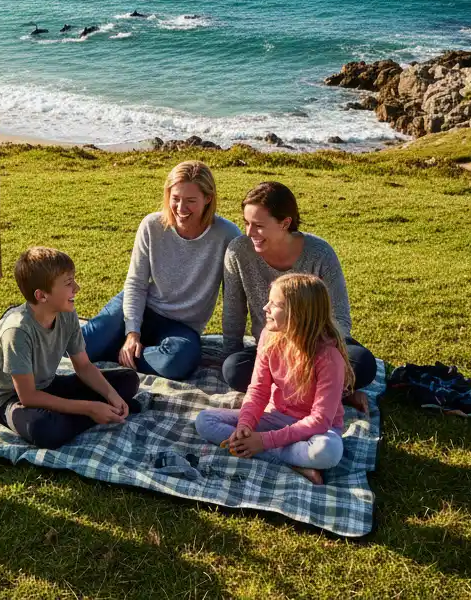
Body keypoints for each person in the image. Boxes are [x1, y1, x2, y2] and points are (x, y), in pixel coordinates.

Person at [81, 162, 241, 380]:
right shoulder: (152, 225)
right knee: (79, 348)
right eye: (175, 198)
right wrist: (132, 333)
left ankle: (116, 353)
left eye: (191, 201)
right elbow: (136, 284)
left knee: (177, 362)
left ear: (208, 198)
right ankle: (123, 349)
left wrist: (231, 350)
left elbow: (233, 300)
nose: (181, 209)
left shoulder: (228, 235)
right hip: (143, 306)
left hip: (181, 327)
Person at [221, 182, 376, 405]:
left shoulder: (320, 253)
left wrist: (309, 351)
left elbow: (340, 317)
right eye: (246, 223)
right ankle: (328, 391)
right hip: (273, 350)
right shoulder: (238, 251)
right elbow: (233, 313)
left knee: (363, 363)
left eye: (258, 225)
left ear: (285, 223)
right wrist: (230, 355)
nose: (249, 232)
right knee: (234, 370)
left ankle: (296, 391)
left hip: (320, 347)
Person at [196, 273, 353, 485]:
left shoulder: (328, 357)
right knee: (205, 421)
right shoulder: (269, 337)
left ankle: (270, 452)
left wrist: (263, 441)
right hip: (275, 417)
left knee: (328, 451)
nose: (265, 308)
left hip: (315, 431)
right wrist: (245, 424)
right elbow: (258, 389)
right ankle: (293, 463)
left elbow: (320, 420)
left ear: (299, 314)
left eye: (275, 304)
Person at [0, 246, 142, 449]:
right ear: (41, 296)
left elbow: (83, 366)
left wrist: (112, 396)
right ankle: (93, 415)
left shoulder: (67, 314)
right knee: (45, 429)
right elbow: (28, 396)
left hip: (47, 385)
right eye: (68, 283)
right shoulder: (17, 331)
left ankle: (96, 411)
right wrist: (89, 408)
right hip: (11, 399)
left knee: (128, 380)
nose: (77, 288)